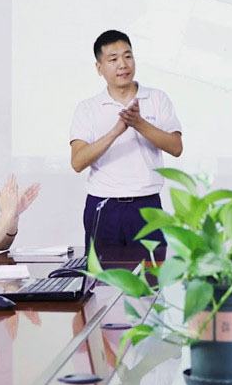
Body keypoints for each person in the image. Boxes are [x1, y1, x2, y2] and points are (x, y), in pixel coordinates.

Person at [69, 30, 183, 248]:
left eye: (128, 56)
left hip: (147, 204)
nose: (123, 64)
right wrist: (115, 132)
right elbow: (77, 162)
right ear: (99, 68)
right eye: (113, 59)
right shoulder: (88, 108)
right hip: (103, 205)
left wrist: (139, 123)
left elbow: (176, 147)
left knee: (152, 270)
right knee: (100, 271)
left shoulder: (157, 98)